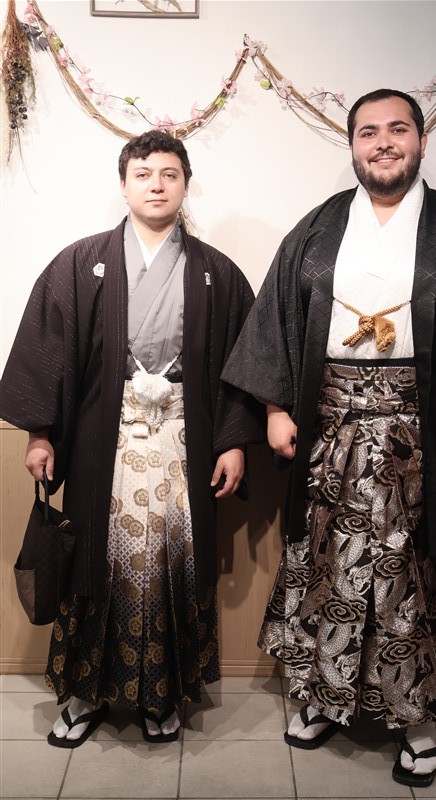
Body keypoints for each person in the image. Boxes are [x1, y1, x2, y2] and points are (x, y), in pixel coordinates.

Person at [222, 89, 436, 786]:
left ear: (421, 141)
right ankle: (325, 699)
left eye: (397, 129)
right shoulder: (316, 229)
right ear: (352, 146)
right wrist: (273, 409)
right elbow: (275, 319)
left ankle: (418, 716)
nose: (383, 142)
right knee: (327, 567)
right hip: (327, 430)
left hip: (425, 438)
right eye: (368, 132)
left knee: (412, 575)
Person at [0, 130, 263, 747]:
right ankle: (86, 693)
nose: (156, 185)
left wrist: (231, 443)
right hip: (103, 442)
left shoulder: (216, 273)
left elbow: (242, 363)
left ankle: (159, 693)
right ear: (123, 184)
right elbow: (47, 354)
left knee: (171, 565)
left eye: (170, 174)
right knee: (96, 564)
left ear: (186, 185)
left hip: (181, 441)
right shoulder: (79, 264)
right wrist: (41, 435)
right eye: (143, 174)